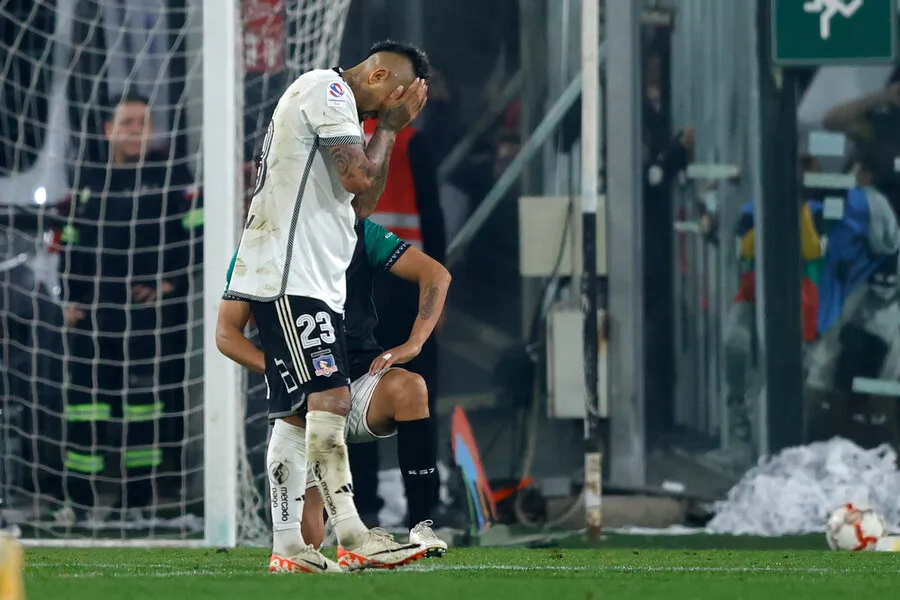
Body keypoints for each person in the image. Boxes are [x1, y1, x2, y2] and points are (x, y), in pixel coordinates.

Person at [223, 39, 430, 572]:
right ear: (380, 75)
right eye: (398, 99)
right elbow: (361, 178)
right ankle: (355, 534)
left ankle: (288, 547)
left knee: (295, 416)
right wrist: (388, 128)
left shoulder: (339, 110)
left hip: (308, 273)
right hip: (293, 274)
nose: (397, 113)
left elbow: (360, 203)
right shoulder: (329, 88)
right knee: (331, 395)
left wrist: (381, 130)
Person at [217, 218, 451, 567]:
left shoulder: (359, 230)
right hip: (301, 393)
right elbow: (226, 334)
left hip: (359, 380)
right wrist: (282, 369)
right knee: (307, 538)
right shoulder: (261, 244)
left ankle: (420, 524)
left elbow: (437, 274)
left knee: (411, 388)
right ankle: (316, 547)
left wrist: (414, 343)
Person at [56, 91, 198, 520]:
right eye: (127, 123)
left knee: (144, 410)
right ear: (108, 130)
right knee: (85, 408)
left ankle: (136, 505)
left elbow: (194, 237)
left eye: (142, 122)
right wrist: (69, 299)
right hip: (92, 316)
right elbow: (70, 245)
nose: (135, 130)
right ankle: (78, 505)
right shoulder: (88, 179)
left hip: (147, 321)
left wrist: (168, 281)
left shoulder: (171, 176)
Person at [353, 115, 446, 526]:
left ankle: (364, 506)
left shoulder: (336, 143)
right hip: (404, 291)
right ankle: (422, 511)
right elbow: (434, 219)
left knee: (352, 393)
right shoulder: (411, 142)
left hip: (361, 286)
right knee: (417, 398)